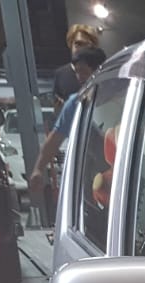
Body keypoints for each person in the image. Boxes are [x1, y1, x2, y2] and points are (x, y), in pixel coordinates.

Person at [28, 45, 107, 197]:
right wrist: (38, 169)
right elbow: (54, 140)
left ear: (100, 70)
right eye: (76, 72)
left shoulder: (124, 98)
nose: (79, 77)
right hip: (91, 182)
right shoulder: (75, 104)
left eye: (83, 71)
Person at [53, 24, 100, 105]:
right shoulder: (60, 74)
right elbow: (57, 107)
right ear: (70, 44)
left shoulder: (101, 71)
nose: (82, 48)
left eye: (87, 45)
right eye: (78, 44)